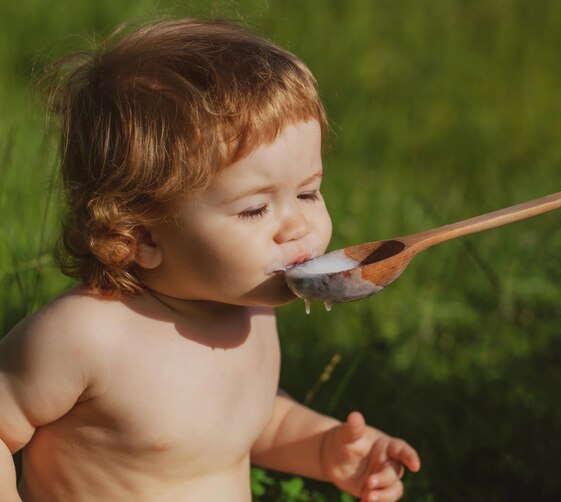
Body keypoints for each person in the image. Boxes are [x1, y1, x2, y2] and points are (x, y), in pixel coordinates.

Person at [0, 18, 420, 502]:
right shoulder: (86, 337)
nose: (297, 226)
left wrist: (325, 449)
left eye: (308, 193)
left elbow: (251, 422)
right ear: (142, 234)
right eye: (255, 208)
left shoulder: (254, 315)